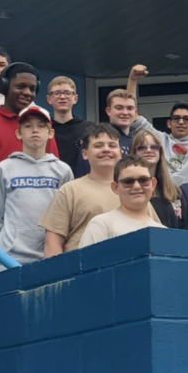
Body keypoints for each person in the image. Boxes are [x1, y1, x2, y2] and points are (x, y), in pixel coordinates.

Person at [0, 62, 59, 235]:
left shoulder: (44, 128)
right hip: (0, 228)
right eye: (20, 87)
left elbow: (55, 173)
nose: (27, 93)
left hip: (43, 228)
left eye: (32, 89)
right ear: (5, 86)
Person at [40, 124, 159, 256]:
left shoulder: (135, 192)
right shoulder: (69, 190)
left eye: (112, 145)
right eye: (98, 145)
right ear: (85, 154)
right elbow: (52, 243)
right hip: (82, 271)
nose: (106, 150)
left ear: (120, 153)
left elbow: (155, 236)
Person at [0, 107, 73, 268]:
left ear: (51, 133)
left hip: (50, 256)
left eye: (41, 126)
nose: (35, 130)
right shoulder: (4, 169)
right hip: (10, 258)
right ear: (18, 133)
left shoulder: (62, 170)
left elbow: (68, 216)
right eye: (28, 126)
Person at [79, 156, 165, 247]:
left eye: (143, 180)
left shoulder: (163, 232)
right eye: (128, 182)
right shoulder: (102, 225)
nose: (137, 186)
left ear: (153, 184)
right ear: (115, 187)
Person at [131, 130, 188, 230]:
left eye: (154, 147)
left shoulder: (174, 192)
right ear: (133, 153)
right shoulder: (128, 190)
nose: (148, 150)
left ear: (160, 153)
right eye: (141, 147)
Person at [73, 89, 139, 177]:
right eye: (119, 108)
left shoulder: (137, 140)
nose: (125, 112)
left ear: (135, 112)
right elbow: (83, 172)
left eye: (130, 108)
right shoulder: (95, 137)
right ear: (108, 111)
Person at [46, 76, 94, 177]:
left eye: (67, 93)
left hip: (82, 186)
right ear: (48, 99)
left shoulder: (90, 128)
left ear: (75, 98)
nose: (62, 97)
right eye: (56, 93)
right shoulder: (43, 129)